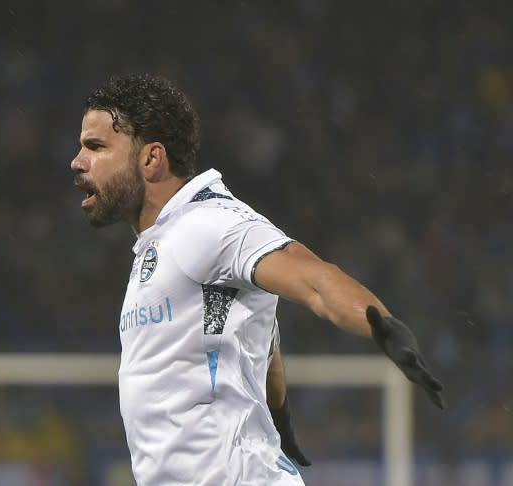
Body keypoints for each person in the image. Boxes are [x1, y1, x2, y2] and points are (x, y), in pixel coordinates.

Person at [70, 73, 444, 486]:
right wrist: (279, 417)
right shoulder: (164, 242)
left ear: (151, 159)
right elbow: (262, 338)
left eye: (96, 147)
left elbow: (314, 278)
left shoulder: (210, 222)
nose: (78, 161)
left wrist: (382, 325)